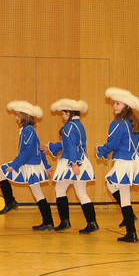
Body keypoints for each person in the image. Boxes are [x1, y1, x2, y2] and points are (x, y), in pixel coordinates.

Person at [96, 87, 139, 243]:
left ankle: (131, 231)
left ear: (125, 106)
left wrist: (100, 150)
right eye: (114, 103)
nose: (114, 106)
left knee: (124, 196)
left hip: (125, 161)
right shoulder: (136, 122)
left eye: (117, 103)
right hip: (135, 162)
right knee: (113, 185)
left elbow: (112, 144)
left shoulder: (118, 123)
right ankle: (129, 219)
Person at [45, 99, 97, 233]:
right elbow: (67, 144)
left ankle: (65, 221)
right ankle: (92, 222)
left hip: (71, 162)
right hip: (82, 160)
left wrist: (74, 164)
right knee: (81, 192)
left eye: (63, 113)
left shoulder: (69, 127)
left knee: (60, 189)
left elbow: (72, 146)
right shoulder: (79, 125)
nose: (62, 116)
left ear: (69, 113)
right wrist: (50, 147)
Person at [1, 101, 54, 231]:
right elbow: (39, 148)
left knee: (38, 194)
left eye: (18, 115)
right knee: (0, 172)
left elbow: (27, 151)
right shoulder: (27, 129)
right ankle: (11, 201)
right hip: (27, 163)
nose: (16, 118)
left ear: (25, 116)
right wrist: (47, 166)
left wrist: (15, 165)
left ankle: (48, 221)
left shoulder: (29, 130)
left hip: (30, 165)